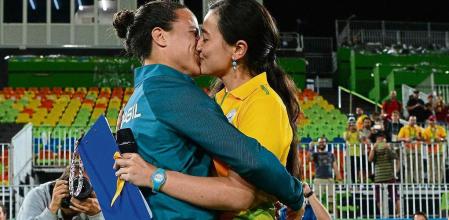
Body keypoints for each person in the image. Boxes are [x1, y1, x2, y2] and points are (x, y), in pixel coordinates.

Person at [112, 1, 303, 219]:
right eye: (194, 33)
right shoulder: (172, 92)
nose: (199, 44)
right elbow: (249, 165)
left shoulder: (140, 96)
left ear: (239, 49)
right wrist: (296, 195)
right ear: (160, 37)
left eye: (204, 36)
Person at [17, 166, 104, 220]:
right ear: (63, 184)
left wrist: (96, 216)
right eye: (76, 184)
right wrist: (52, 209)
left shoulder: (94, 200)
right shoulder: (38, 196)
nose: (80, 189)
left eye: (85, 184)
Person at [368, 134, 400, 214]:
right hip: (378, 177)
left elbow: (395, 156)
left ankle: (399, 213)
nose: (380, 142)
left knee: (394, 196)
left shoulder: (388, 148)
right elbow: (370, 159)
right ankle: (382, 214)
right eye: (378, 140)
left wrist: (388, 148)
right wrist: (373, 148)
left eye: (381, 140)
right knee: (378, 197)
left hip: (389, 175)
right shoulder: (374, 150)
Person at [311, 138, 342, 212]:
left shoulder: (331, 154)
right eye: (320, 142)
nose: (321, 143)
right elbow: (309, 159)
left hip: (329, 179)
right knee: (316, 198)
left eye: (323, 142)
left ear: (326, 143)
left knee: (332, 198)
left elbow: (335, 166)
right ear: (318, 144)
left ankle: (332, 215)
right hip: (318, 179)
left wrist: (340, 178)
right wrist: (310, 148)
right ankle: (315, 213)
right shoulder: (315, 154)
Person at [398, 115, 424, 183]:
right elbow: (398, 138)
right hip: (407, 148)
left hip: (417, 148)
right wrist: (405, 139)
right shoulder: (404, 128)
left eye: (414, 120)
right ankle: (408, 182)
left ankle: (419, 182)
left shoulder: (419, 128)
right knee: (408, 166)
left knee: (418, 166)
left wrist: (419, 138)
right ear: (408, 121)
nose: (413, 121)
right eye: (411, 120)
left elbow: (423, 138)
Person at [422, 115, 447, 183]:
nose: (431, 122)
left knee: (440, 167)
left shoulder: (440, 128)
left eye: (432, 120)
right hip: (430, 151)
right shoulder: (426, 130)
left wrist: (440, 139)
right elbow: (424, 141)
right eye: (430, 120)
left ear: (435, 121)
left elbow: (444, 138)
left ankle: (439, 181)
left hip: (440, 150)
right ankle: (431, 182)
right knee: (430, 167)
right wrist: (429, 142)